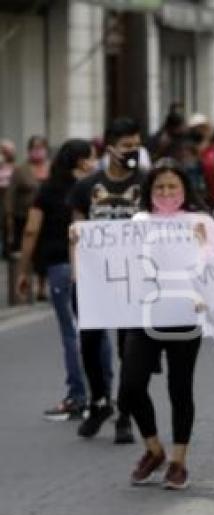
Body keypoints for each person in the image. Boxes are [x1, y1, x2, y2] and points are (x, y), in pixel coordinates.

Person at [119, 159, 214, 490]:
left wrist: (203, 245)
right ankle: (153, 449)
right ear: (149, 191)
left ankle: (178, 460)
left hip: (183, 314)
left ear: (185, 189)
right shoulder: (139, 221)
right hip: (144, 313)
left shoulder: (200, 221)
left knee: (180, 387)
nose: (166, 192)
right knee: (131, 386)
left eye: (172, 186)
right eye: (159, 187)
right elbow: (122, 261)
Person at [70, 116, 146, 443]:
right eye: (127, 145)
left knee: (128, 348)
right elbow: (76, 231)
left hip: (133, 279)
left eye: (136, 145)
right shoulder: (87, 187)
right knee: (89, 344)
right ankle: (100, 400)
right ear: (110, 147)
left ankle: (125, 414)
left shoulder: (146, 182)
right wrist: (77, 275)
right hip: (93, 280)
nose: (133, 151)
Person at [16, 139, 98, 420]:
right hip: (92, 265)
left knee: (70, 332)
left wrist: (24, 270)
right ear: (82, 161)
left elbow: (31, 230)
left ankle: (77, 395)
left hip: (60, 265)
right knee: (97, 330)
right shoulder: (95, 190)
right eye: (92, 156)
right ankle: (103, 394)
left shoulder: (48, 190)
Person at [7, 135, 50, 300]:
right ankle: (23, 286)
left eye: (41, 147)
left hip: (46, 218)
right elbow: (10, 195)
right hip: (23, 217)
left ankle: (42, 286)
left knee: (43, 254)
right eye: (35, 147)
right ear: (29, 150)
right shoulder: (20, 169)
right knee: (26, 252)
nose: (38, 151)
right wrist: (9, 216)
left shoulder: (51, 167)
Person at [0, 139, 16, 259]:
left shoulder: (16, 167)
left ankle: (8, 249)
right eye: (4, 151)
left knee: (9, 226)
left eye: (8, 151)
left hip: (11, 202)